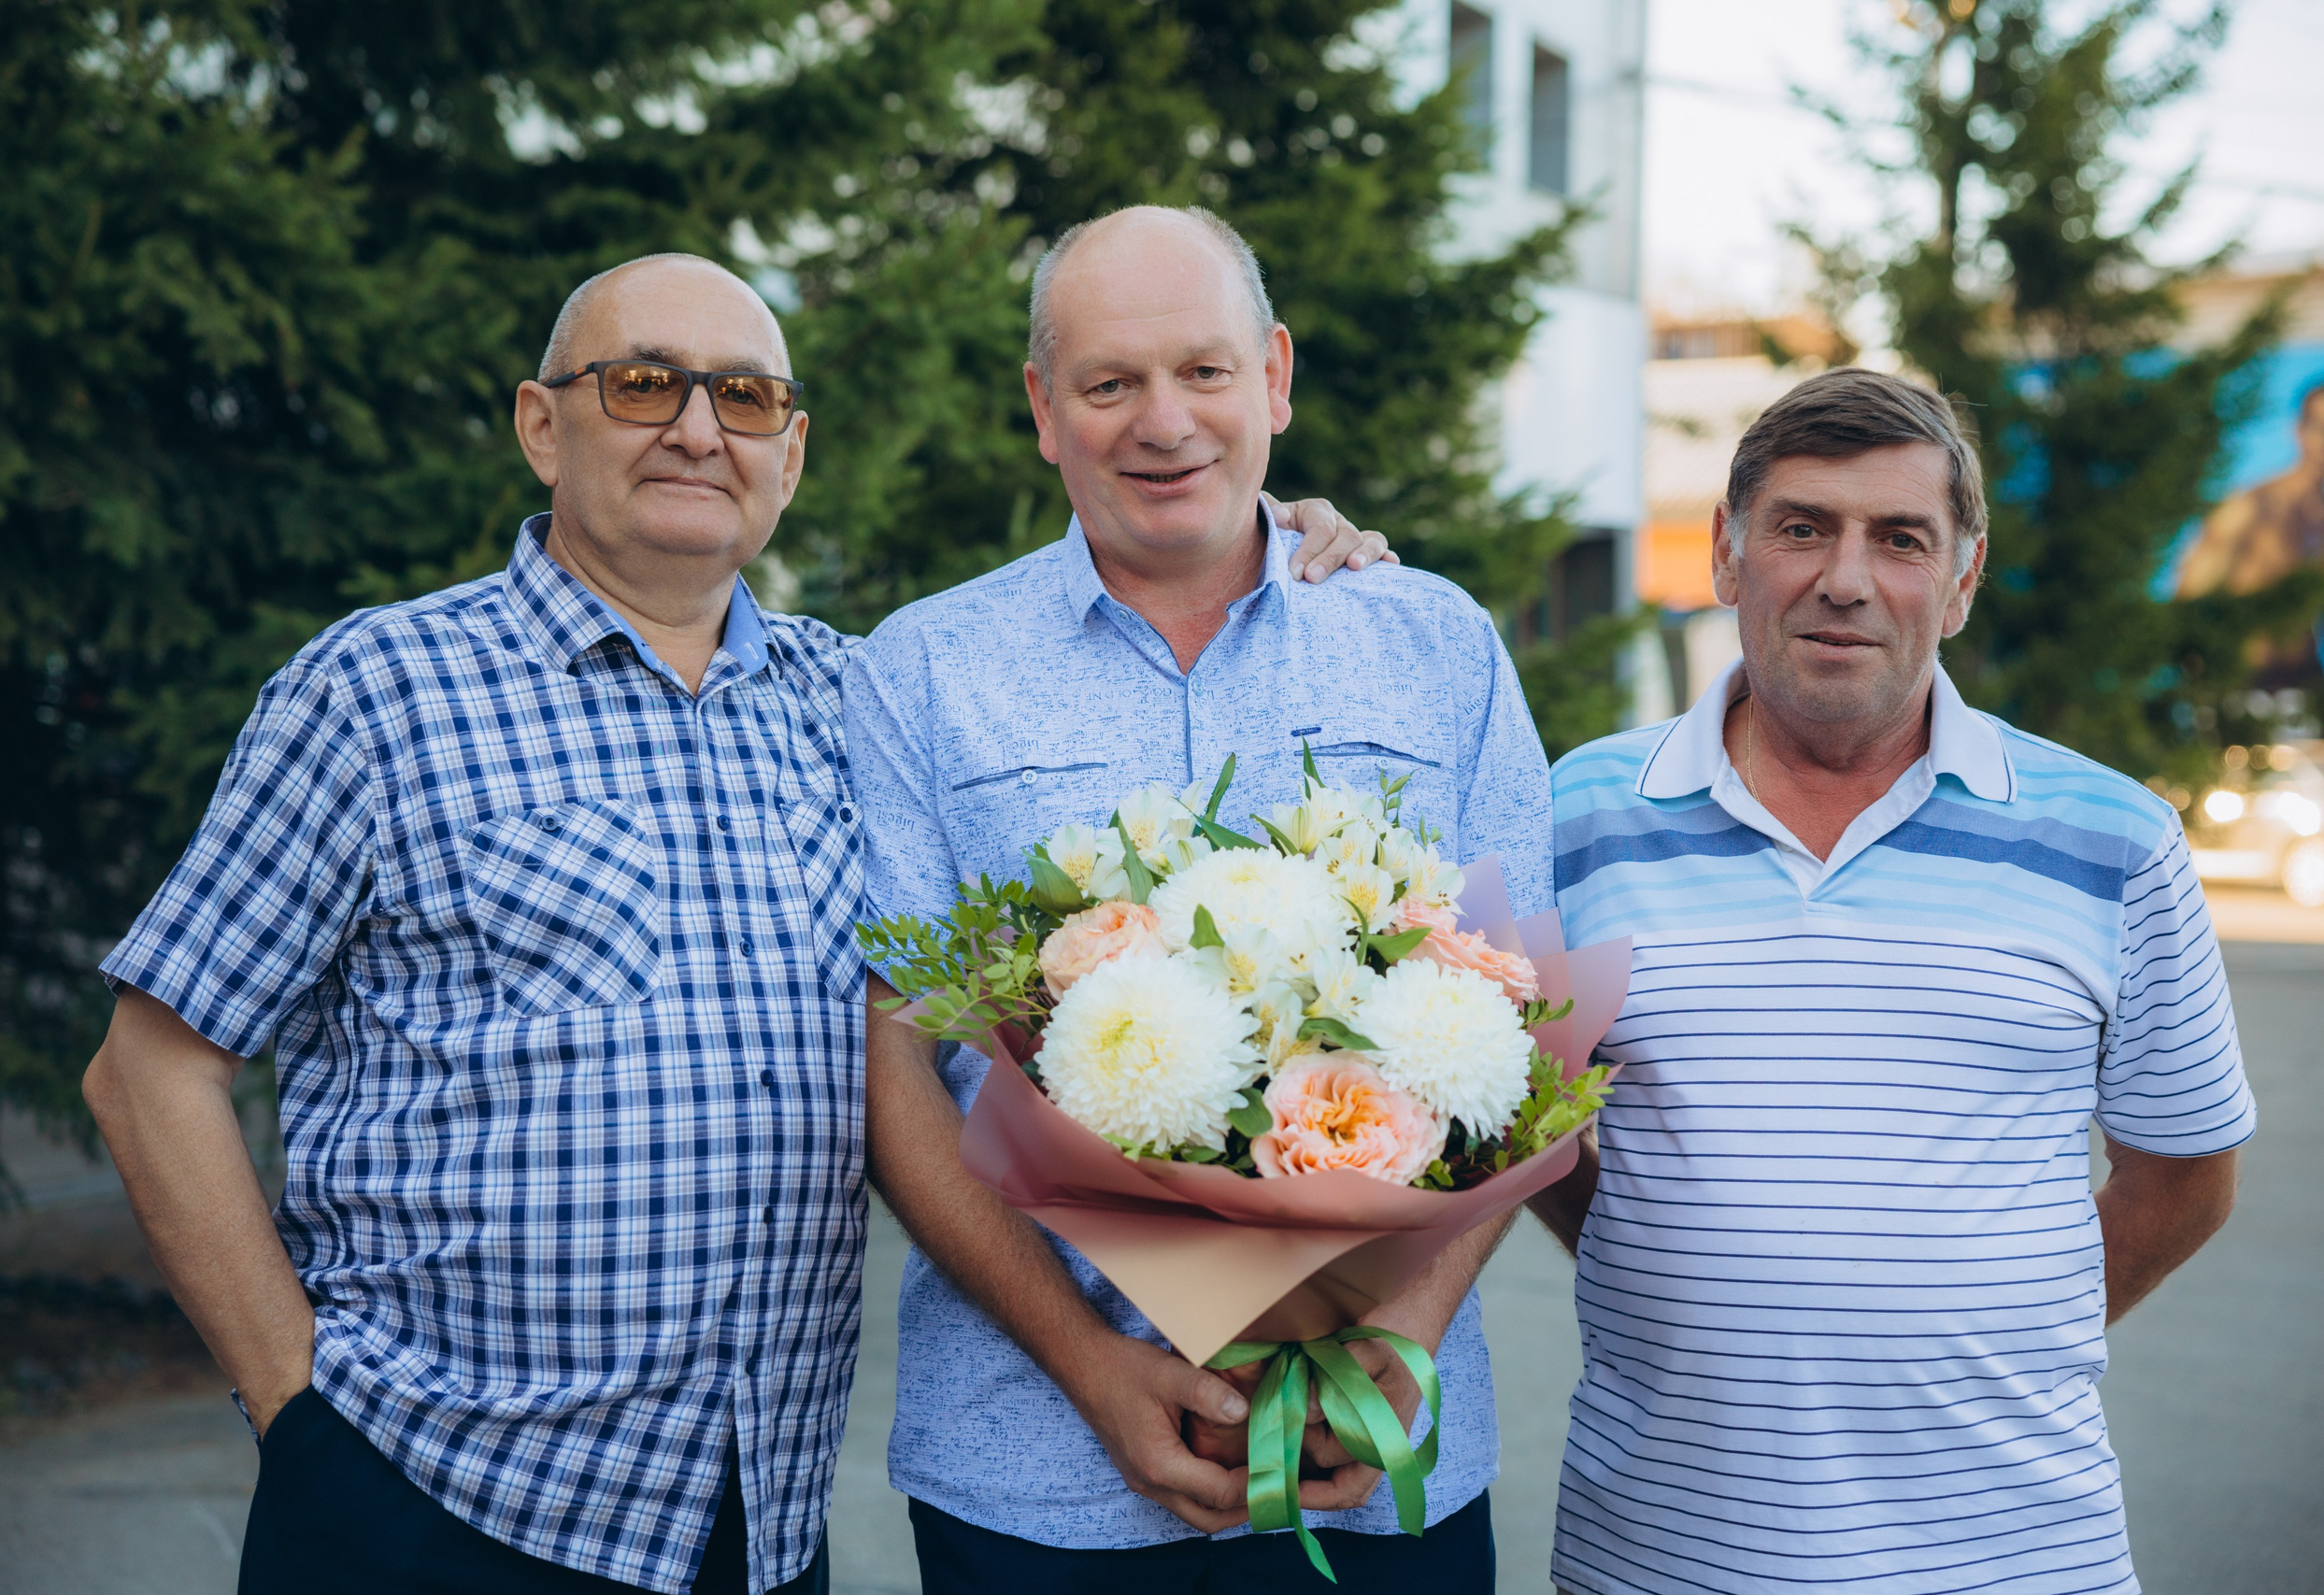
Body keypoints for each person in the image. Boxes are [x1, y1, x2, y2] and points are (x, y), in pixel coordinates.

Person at [78, 250, 1390, 1595]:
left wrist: (1274, 529)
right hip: (430, 1499)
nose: (700, 426)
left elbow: (1075, 639)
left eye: (748, 397)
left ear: (793, 452)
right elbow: (152, 1069)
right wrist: (296, 1409)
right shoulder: (379, 690)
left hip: (752, 1525)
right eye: (645, 384)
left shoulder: (854, 698)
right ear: (544, 423)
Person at [844, 206, 1553, 1592]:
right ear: (1046, 410)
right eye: (1109, 383)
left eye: (1206, 371)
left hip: (1383, 1465)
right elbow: (897, 1065)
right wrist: (1088, 1361)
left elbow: (1531, 1042)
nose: (1163, 420)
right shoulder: (923, 671)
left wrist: (1396, 1342)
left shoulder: (1432, 642)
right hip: (1033, 1468)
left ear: (1276, 378)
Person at [1540, 367, 2253, 1595]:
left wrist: (2004, 1337)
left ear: (1963, 579)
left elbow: (2185, 1176)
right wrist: (1658, 1255)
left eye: (1901, 538)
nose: (1846, 577)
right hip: (1659, 1553)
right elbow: (1515, 1129)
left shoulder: (2117, 838)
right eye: (1802, 525)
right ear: (1726, 551)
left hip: (2017, 1556)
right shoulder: (1574, 816)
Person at [2174, 377, 2324, 598]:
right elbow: (2188, 598)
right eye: (2320, 428)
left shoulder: (2316, 514)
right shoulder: (2249, 507)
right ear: (2299, 431)